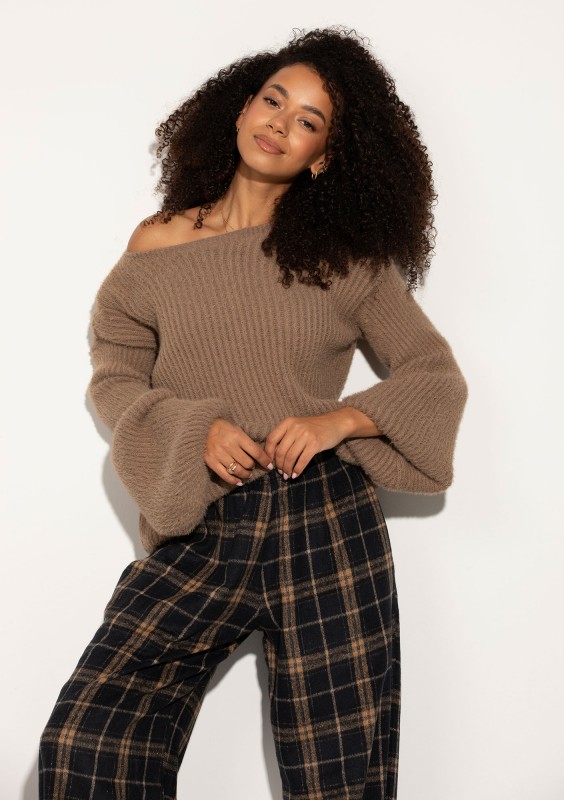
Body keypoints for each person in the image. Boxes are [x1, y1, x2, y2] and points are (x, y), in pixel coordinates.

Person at [38, 26, 467, 800]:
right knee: (89, 742)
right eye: (274, 100)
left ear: (323, 155)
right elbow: (115, 375)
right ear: (240, 110)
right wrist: (193, 429)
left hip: (325, 516)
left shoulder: (345, 260)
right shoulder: (157, 245)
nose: (280, 123)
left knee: (341, 772)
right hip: (203, 511)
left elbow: (433, 374)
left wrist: (340, 421)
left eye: (309, 120)